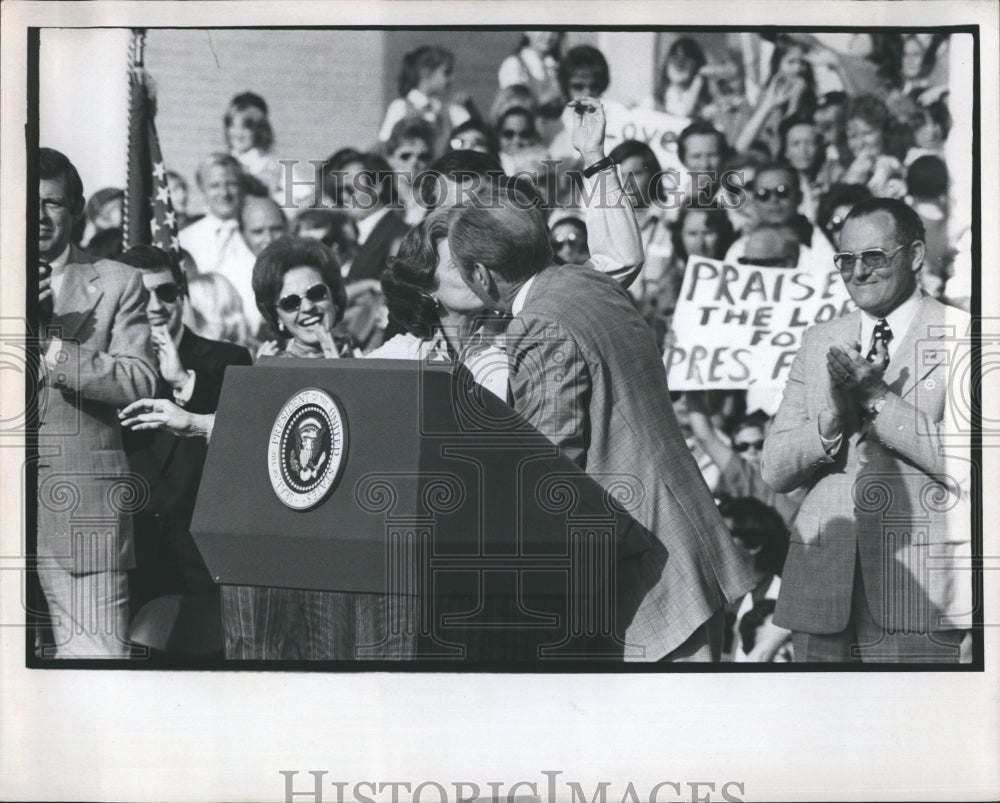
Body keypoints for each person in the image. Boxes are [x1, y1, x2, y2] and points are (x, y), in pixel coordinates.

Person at [446, 116, 754, 663]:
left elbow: (547, 467)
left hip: (649, 574)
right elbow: (623, 256)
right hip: (684, 548)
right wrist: (593, 155)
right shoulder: (585, 282)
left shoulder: (538, 325)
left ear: (483, 277)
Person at [760, 197, 971, 663]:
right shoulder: (820, 340)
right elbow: (774, 471)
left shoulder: (964, 336)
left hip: (919, 593)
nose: (858, 272)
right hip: (821, 586)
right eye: (846, 259)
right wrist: (831, 421)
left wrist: (878, 400)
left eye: (873, 256)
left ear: (914, 255)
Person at [35, 148, 158, 657]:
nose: (38, 216)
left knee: (96, 672)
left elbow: (139, 379)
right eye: (27, 202)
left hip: (80, 514)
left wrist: (51, 346)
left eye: (53, 204)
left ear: (78, 209)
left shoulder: (115, 282)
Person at [117, 246, 251, 613]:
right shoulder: (108, 369)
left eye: (167, 292)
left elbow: (243, 441)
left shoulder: (229, 360)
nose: (157, 305)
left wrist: (183, 382)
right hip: (133, 563)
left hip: (204, 565)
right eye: (143, 295)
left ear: (183, 294)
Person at [178, 153, 259, 331]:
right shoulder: (184, 240)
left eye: (231, 184)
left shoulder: (259, 233)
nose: (224, 193)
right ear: (202, 189)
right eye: (215, 186)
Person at [717, 497, 793, 663]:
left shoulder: (783, 603)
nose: (714, 543)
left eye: (723, 535)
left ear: (754, 545)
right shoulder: (735, 597)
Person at [378, 45, 472, 156]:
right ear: (426, 72)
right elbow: (385, 145)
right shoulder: (401, 107)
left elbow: (474, 134)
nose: (452, 78)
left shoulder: (448, 110)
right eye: (447, 72)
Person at [497, 31, 563, 106]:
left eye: (555, 30)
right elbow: (515, 104)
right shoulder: (514, 64)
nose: (549, 35)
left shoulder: (557, 66)